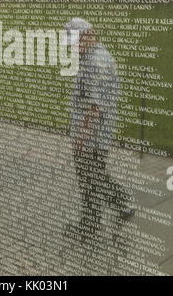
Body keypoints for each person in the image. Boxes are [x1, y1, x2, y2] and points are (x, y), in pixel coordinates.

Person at [64, 17, 134, 241]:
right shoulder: (90, 58)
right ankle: (122, 204)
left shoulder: (97, 61)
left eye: (75, 42)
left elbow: (95, 107)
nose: (73, 48)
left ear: (87, 36)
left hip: (93, 136)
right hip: (93, 134)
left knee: (89, 181)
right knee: (95, 177)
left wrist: (82, 138)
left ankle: (90, 226)